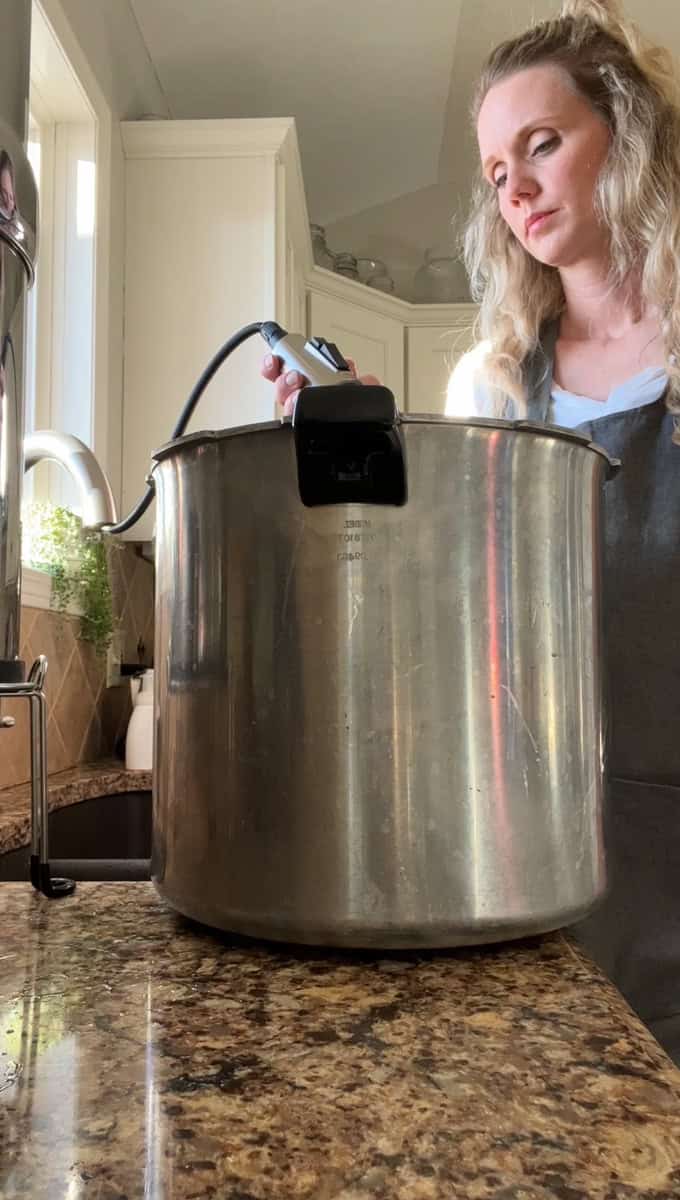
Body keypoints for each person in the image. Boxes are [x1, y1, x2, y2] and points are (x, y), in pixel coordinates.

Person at [262, 0, 680, 1063]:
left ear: (624, 133)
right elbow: (442, 599)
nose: (517, 188)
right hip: (533, 856)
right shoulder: (493, 380)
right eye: (496, 171)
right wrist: (367, 440)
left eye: (541, 144)